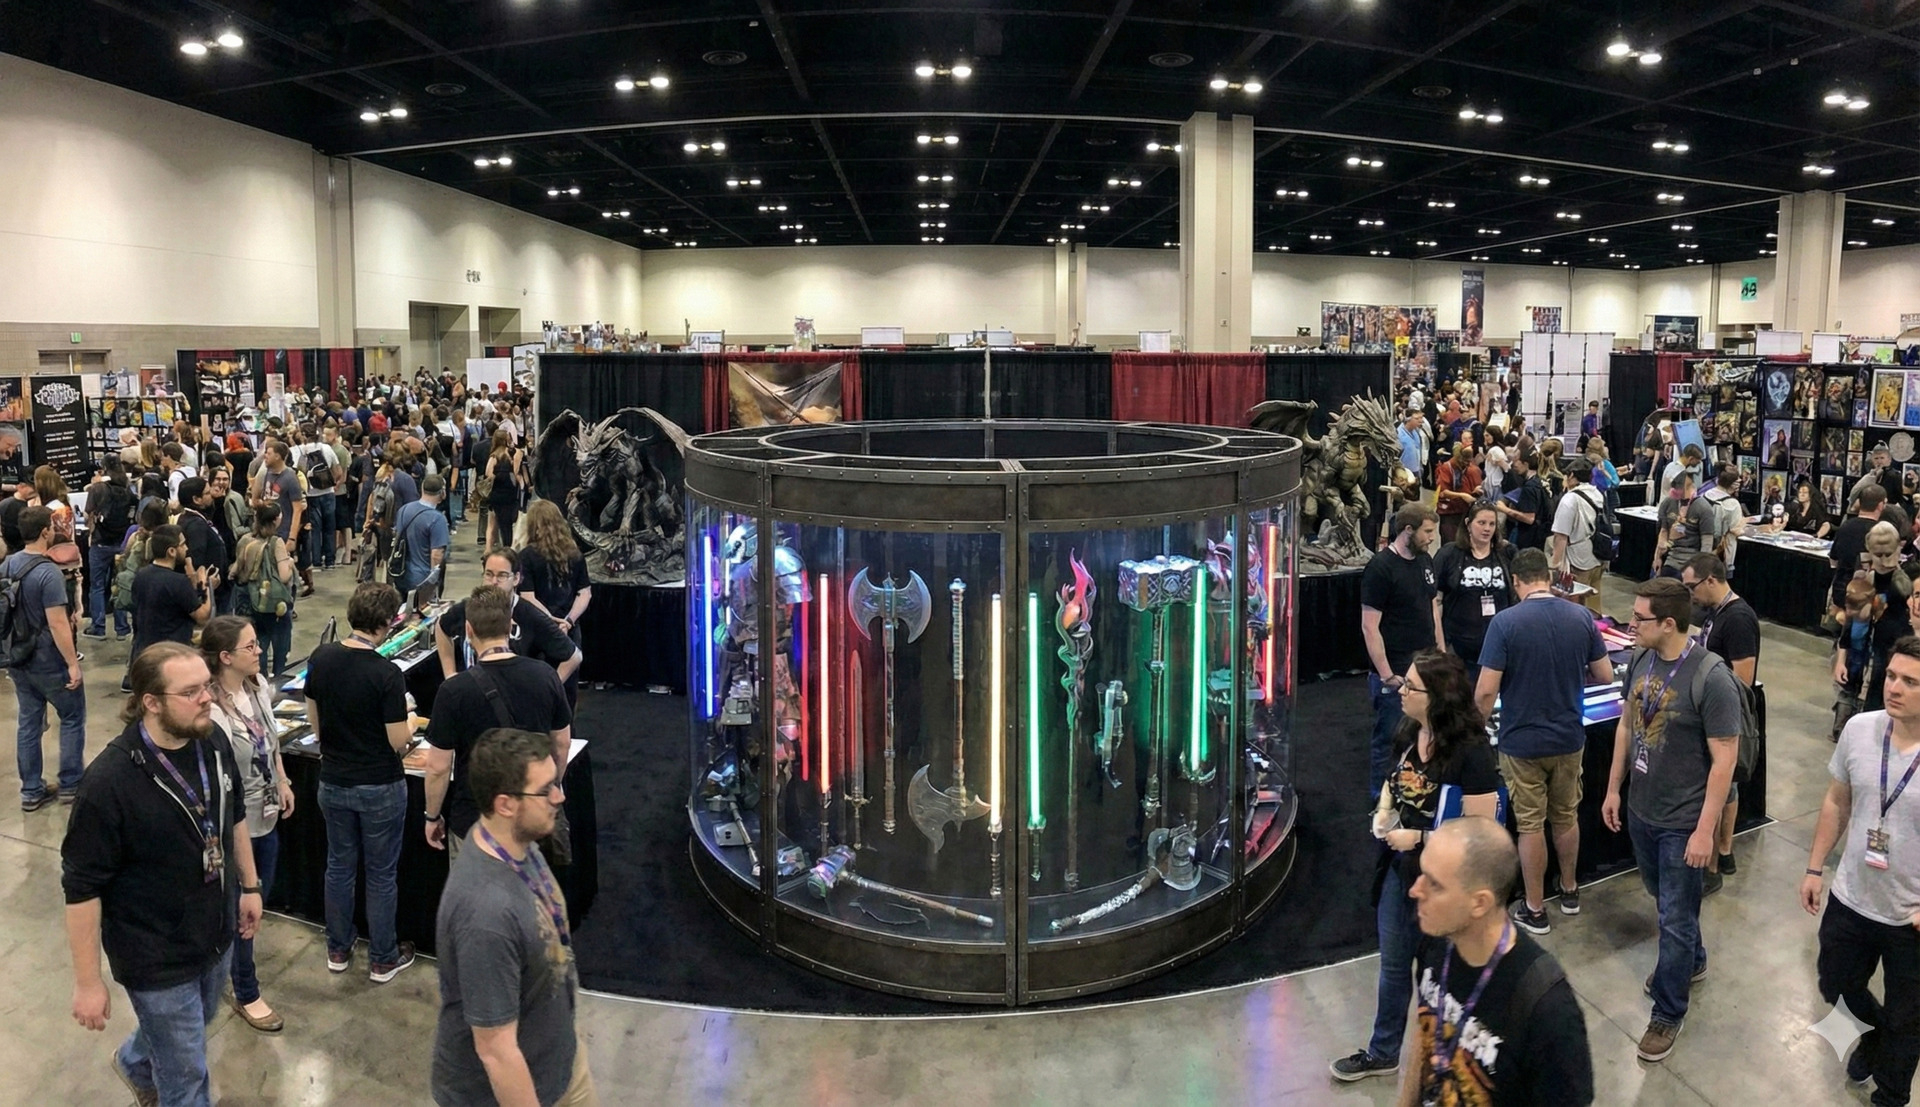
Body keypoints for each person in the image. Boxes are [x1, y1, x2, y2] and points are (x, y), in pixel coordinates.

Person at [62, 642, 264, 1107]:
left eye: (206, 686)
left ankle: (135, 1061)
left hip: (214, 933)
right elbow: (82, 889)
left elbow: (233, 814)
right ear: (150, 702)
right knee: (187, 1073)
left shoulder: (211, 739)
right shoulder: (109, 783)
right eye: (190, 692)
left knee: (195, 1022)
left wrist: (250, 885)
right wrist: (88, 982)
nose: (207, 698)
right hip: (154, 954)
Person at [1329, 650, 1501, 1084]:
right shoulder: (1409, 731)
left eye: (1411, 686)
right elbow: (1395, 779)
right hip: (1400, 872)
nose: (1402, 691)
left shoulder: (1472, 753)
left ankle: (1442, 1061)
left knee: (1439, 977)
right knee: (1393, 965)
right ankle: (1383, 1051)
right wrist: (1385, 811)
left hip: (1447, 884)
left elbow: (1479, 830)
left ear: (1438, 696)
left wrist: (1421, 838)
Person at [1601, 577, 1742, 1063]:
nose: (1631, 624)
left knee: (1674, 919)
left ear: (1668, 623)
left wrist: (1705, 831)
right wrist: (1613, 789)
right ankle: (1692, 962)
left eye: (1639, 618)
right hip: (1642, 807)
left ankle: (1667, 1011)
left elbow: (1725, 760)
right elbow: (1626, 726)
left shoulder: (1712, 677)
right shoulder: (1641, 659)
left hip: (1684, 820)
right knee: (1664, 898)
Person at [431, 727, 596, 1107]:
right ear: (505, 804)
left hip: (560, 1064)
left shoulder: (516, 842)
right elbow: (496, 1051)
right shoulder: (485, 915)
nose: (559, 796)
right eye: (546, 790)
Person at [1396, 816, 1594, 1106]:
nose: (1415, 890)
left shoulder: (1547, 1009)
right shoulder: (1439, 939)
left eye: (1435, 885)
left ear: (1480, 903)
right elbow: (1425, 1028)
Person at [1802, 636, 1920, 1105]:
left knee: (1909, 1018)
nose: (1894, 687)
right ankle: (1874, 1036)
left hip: (1910, 915)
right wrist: (1814, 868)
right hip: (1852, 896)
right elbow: (1837, 800)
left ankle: (1890, 1095)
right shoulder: (1860, 728)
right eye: (1891, 676)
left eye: (1910, 681)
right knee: (1834, 982)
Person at [1475, 548, 1613, 933]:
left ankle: (1535, 909)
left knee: (1531, 824)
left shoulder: (1505, 623)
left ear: (1515, 581)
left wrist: (1474, 729)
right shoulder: (1581, 617)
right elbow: (1605, 675)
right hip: (1569, 737)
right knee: (1566, 816)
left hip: (1522, 742)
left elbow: (1485, 692)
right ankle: (1569, 890)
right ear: (1549, 579)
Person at [304, 582, 417, 983]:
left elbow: (316, 724)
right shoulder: (386, 674)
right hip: (379, 786)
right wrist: (410, 720)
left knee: (339, 865)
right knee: (381, 874)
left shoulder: (321, 658)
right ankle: (383, 957)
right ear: (386, 623)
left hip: (334, 781)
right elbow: (397, 741)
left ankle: (338, 947)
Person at [423, 586, 573, 856]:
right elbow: (561, 744)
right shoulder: (545, 676)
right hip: (529, 817)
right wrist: (548, 789)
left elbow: (438, 767)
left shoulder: (454, 691)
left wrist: (432, 816)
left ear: (468, 630)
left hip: (474, 821)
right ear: (511, 626)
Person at [202, 616, 294, 1035]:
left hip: (267, 816)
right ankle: (246, 989)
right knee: (241, 910)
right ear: (225, 657)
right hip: (233, 826)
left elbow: (270, 742)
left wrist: (283, 779)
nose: (259, 652)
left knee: (257, 901)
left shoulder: (257, 688)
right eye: (250, 646)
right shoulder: (210, 711)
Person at [1681, 553, 1759, 885]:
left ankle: (1715, 861)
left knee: (1724, 788)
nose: (1691, 594)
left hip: (1726, 716)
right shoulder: (1716, 611)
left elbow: (1743, 679)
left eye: (1692, 587)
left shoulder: (1738, 619)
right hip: (1713, 710)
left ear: (1711, 580)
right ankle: (1723, 852)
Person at [1361, 503, 1444, 799]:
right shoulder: (1380, 567)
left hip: (1426, 669)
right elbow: (1370, 626)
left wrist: (1441, 654)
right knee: (1389, 739)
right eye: (1427, 532)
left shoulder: (1425, 561)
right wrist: (1387, 676)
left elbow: (1433, 609)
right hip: (1396, 672)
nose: (1432, 538)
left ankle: (1415, 797)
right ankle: (1381, 800)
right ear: (1408, 530)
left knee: (1425, 735)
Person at [8, 506, 86, 810]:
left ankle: (31, 790)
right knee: (72, 716)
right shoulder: (48, 572)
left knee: (29, 722)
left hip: (18, 657)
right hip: (48, 659)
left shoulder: (7, 565)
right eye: (51, 527)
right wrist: (72, 663)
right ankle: (71, 784)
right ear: (45, 532)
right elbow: (57, 624)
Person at [435, 549, 583, 683]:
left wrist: (548, 690)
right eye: (489, 574)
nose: (494, 582)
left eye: (502, 575)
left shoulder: (530, 615)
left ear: (516, 578)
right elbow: (441, 627)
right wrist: (450, 674)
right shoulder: (468, 607)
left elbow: (574, 656)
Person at [1433, 502, 1511, 680]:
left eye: (1492, 524)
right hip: (1458, 646)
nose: (1487, 529)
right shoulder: (1449, 554)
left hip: (1498, 646)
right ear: (1468, 524)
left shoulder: (1506, 553)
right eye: (1481, 523)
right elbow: (1435, 601)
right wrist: (1440, 647)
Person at [517, 498, 593, 670]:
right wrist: (568, 621)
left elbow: (528, 597)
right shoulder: (576, 554)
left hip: (538, 630)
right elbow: (585, 593)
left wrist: (551, 622)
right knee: (568, 677)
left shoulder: (526, 556)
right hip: (569, 629)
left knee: (539, 678)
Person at [129, 523, 211, 663]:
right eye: (182, 545)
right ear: (171, 551)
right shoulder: (178, 582)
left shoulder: (141, 575)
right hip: (171, 655)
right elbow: (202, 616)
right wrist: (205, 585)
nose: (186, 548)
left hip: (144, 652)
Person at [232, 504, 297, 677]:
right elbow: (284, 576)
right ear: (276, 520)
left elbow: (236, 570)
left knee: (258, 642)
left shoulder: (245, 540)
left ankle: (259, 679)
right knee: (280, 644)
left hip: (251, 599)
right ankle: (278, 677)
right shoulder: (276, 543)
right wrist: (290, 564)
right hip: (274, 603)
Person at [1549, 458, 1607, 614]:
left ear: (1572, 475)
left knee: (1574, 608)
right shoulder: (1598, 494)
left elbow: (1561, 535)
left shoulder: (1570, 499)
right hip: (1597, 555)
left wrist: (1555, 565)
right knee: (1594, 607)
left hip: (1577, 561)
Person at [1834, 484, 1891, 612]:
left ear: (1860, 502)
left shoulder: (1844, 527)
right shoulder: (1883, 533)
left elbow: (1834, 560)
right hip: (1868, 597)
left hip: (1841, 592)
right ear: (1880, 505)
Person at [294, 423, 343, 571]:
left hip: (311, 495)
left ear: (303, 435)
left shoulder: (299, 451)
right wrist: (332, 483)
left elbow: (298, 473)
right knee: (329, 527)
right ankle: (330, 560)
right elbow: (338, 471)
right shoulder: (326, 449)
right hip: (328, 493)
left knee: (314, 528)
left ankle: (316, 561)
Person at [392, 475, 451, 596]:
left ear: (422, 489)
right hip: (423, 580)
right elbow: (437, 554)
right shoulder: (437, 519)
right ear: (442, 493)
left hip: (401, 575)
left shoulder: (404, 510)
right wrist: (433, 585)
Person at [1652, 470, 1706, 579]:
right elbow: (1663, 531)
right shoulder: (1668, 503)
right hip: (1671, 555)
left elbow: (1706, 542)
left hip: (1691, 557)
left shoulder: (1701, 507)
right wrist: (1657, 558)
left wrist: (1701, 568)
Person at [1494, 447, 1549, 550]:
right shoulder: (1540, 481)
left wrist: (1504, 509)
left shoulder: (1530, 487)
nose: (1514, 464)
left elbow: (1529, 518)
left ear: (1525, 464)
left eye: (1516, 461)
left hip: (1530, 538)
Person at [486, 429, 527, 551]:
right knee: (511, 520)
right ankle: (510, 546)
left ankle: (506, 546)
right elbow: (517, 471)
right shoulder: (513, 453)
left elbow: (488, 473)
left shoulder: (494, 456)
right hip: (512, 492)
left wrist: (498, 477)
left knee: (503, 524)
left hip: (498, 493)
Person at [1434, 445, 1483, 547]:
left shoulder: (1468, 468)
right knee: (1449, 542)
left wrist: (1473, 492)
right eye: (1465, 461)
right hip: (1449, 512)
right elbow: (1443, 492)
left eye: (1469, 461)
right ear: (1459, 458)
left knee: (1463, 542)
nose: (1467, 464)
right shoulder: (1447, 468)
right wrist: (1462, 495)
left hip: (1463, 511)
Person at [1852, 443, 1905, 511]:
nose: (1879, 461)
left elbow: (1899, 499)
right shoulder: (1869, 476)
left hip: (1888, 511)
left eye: (1882, 458)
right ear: (1872, 460)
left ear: (1889, 460)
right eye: (1876, 458)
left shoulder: (1894, 476)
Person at [1397, 411, 1427, 490]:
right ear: (1408, 420)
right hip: (1404, 473)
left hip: (1416, 470)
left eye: (1421, 418)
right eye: (1417, 418)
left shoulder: (1416, 432)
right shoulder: (1399, 434)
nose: (1421, 421)